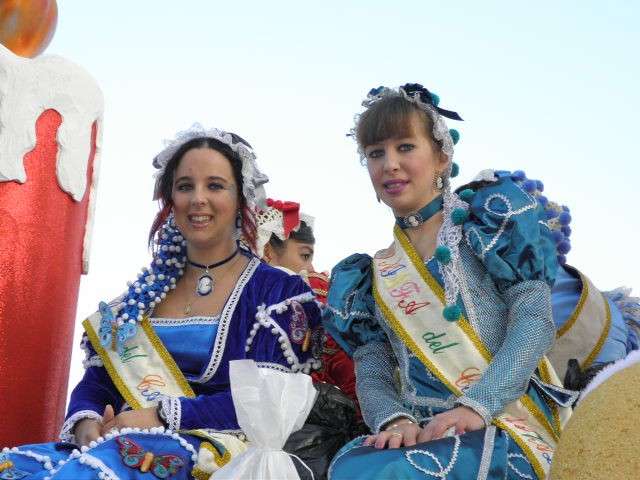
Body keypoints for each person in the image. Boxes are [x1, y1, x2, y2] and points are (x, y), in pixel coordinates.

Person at [1, 125, 321, 479]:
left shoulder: (276, 294)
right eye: (185, 186)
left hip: (219, 453)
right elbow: (97, 382)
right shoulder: (140, 299)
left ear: (241, 199)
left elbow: (265, 402)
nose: (198, 198)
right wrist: (87, 421)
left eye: (215, 185)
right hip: (118, 443)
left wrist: (160, 415)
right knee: (14, 468)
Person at [323, 84, 576, 479]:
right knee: (351, 468)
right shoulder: (367, 277)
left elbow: (535, 322)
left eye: (405, 147)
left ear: (442, 156)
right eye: (375, 153)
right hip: (421, 433)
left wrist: (477, 406)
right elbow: (371, 370)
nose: (390, 164)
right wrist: (393, 419)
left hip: (506, 421)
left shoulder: (487, 227)